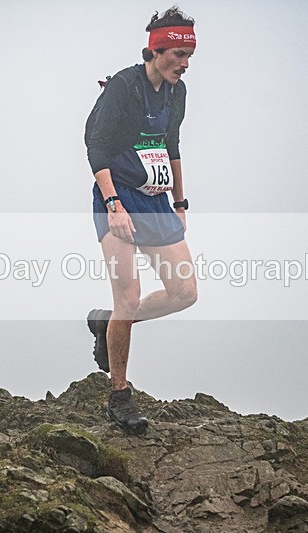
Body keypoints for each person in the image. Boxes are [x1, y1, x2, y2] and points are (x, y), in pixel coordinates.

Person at [85, 7, 198, 432]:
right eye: (178, 55)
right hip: (117, 197)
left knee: (185, 291)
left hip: (156, 202)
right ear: (156, 50)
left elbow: (173, 145)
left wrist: (181, 202)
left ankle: (106, 323)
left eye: (189, 57)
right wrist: (113, 204)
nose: (185, 65)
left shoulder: (176, 93)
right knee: (127, 298)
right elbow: (96, 148)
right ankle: (119, 395)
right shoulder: (124, 87)